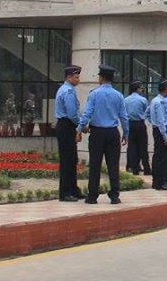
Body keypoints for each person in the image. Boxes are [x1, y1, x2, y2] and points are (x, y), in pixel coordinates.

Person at [77, 64, 129, 204]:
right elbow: (124, 116)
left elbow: (87, 113)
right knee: (113, 165)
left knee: (95, 164)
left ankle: (92, 196)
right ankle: (114, 195)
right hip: (113, 133)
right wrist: (126, 133)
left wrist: (80, 128)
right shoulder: (118, 95)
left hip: (97, 133)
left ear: (101, 77)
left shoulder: (94, 93)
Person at [54, 64, 83, 202]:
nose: (78, 80)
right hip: (67, 125)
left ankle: (73, 189)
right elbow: (72, 114)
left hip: (66, 126)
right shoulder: (68, 92)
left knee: (72, 160)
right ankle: (65, 192)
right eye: (76, 77)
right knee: (67, 161)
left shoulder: (66, 89)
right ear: (69, 77)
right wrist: (81, 125)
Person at [149, 80, 167, 191]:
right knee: (161, 158)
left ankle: (156, 182)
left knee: (158, 157)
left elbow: (147, 113)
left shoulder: (155, 100)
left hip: (156, 130)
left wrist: (153, 122)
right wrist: (165, 137)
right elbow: (162, 121)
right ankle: (160, 183)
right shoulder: (160, 102)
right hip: (161, 131)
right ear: (166, 89)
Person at [123, 80, 151, 176]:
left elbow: (124, 114)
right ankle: (146, 168)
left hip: (130, 124)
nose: (142, 89)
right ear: (137, 89)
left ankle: (135, 169)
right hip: (140, 124)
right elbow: (147, 112)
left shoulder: (126, 100)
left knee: (132, 147)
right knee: (143, 146)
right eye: (140, 88)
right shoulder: (143, 100)